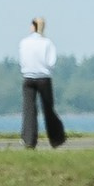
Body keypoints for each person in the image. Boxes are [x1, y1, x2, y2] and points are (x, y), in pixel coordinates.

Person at [19, 17, 66, 150]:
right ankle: (56, 138)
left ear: (32, 26)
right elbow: (51, 62)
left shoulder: (24, 42)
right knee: (48, 109)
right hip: (43, 78)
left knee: (29, 110)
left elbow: (22, 60)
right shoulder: (47, 43)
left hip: (28, 78)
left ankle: (29, 140)